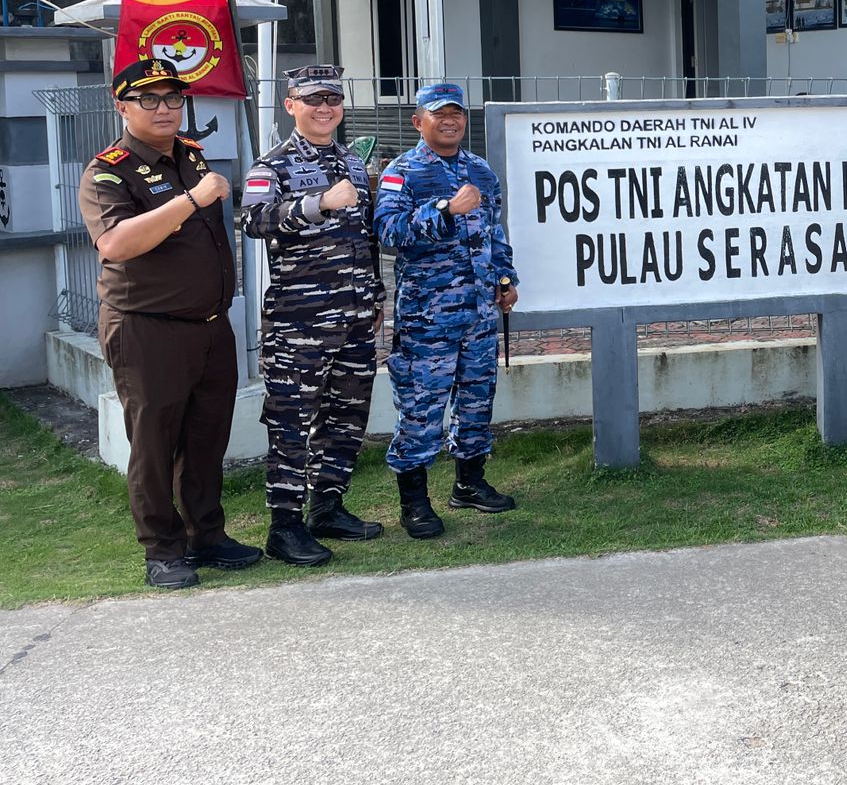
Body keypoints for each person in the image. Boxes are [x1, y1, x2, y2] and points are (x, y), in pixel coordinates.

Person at [77, 58, 261, 589]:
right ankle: (162, 549)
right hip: (147, 329)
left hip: (209, 325)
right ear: (122, 107)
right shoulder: (107, 171)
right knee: (155, 444)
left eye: (173, 99)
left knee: (206, 438)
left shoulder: (191, 155)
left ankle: (207, 534)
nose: (164, 109)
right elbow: (115, 244)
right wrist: (190, 200)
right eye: (150, 100)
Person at [241, 65, 385, 567]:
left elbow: (363, 240)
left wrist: (376, 299)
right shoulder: (273, 165)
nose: (325, 108)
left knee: (346, 417)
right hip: (298, 323)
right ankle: (284, 527)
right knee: (291, 422)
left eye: (333, 98)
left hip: (353, 317)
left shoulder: (350, 160)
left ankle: (328, 507)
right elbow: (254, 220)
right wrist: (316, 203)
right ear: (290, 106)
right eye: (313, 99)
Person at [374, 82, 519, 537]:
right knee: (421, 408)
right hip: (428, 318)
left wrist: (505, 277)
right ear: (419, 122)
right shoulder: (404, 171)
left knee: (476, 401)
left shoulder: (479, 169)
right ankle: (414, 503)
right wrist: (445, 210)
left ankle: (469, 484)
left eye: (456, 113)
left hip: (478, 313)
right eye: (439, 114)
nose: (450, 121)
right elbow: (388, 231)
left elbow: (494, 231)